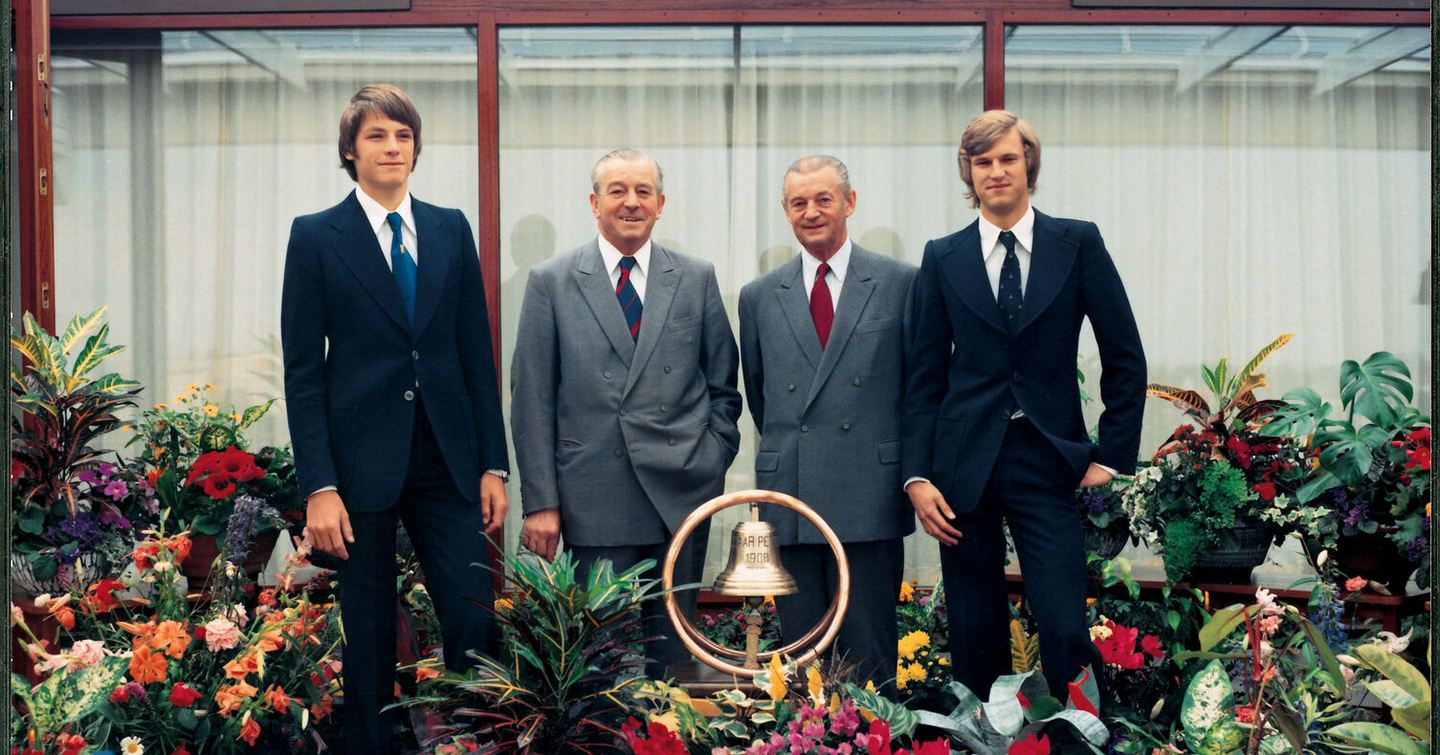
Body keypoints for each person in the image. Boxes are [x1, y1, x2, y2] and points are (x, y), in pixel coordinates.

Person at [280, 84, 509, 752]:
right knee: (372, 639)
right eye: (377, 136)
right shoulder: (316, 237)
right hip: (358, 471)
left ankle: (478, 743)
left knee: (474, 623)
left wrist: (492, 463)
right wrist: (319, 485)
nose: (392, 147)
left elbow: (476, 354)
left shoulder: (449, 227)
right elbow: (303, 371)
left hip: (448, 461)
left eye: (403, 135)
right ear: (350, 151)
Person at [902, 111, 1146, 699]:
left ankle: (1083, 734)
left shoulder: (1077, 242)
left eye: (1007, 159)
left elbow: (1124, 354)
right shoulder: (942, 256)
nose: (995, 171)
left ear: (1028, 164)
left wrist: (1111, 456)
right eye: (982, 162)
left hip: (1047, 460)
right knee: (974, 626)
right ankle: (982, 735)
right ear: (969, 172)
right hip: (962, 468)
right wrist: (916, 476)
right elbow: (923, 376)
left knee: (1064, 623)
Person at [509, 149, 742, 676]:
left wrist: (710, 457)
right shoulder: (553, 280)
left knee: (673, 661)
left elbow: (723, 389)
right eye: (617, 191)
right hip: (593, 495)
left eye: (642, 192)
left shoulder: (697, 277)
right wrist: (541, 502)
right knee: (601, 663)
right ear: (594, 203)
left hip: (681, 494)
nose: (630, 202)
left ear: (661, 204)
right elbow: (532, 399)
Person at [737, 155, 915, 685]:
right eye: (798, 203)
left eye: (823, 199)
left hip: (870, 490)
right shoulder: (759, 296)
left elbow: (918, 388)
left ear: (850, 203)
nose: (811, 212)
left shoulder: (901, 283)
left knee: (872, 656)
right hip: (791, 493)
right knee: (801, 659)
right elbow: (760, 396)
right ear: (786, 211)